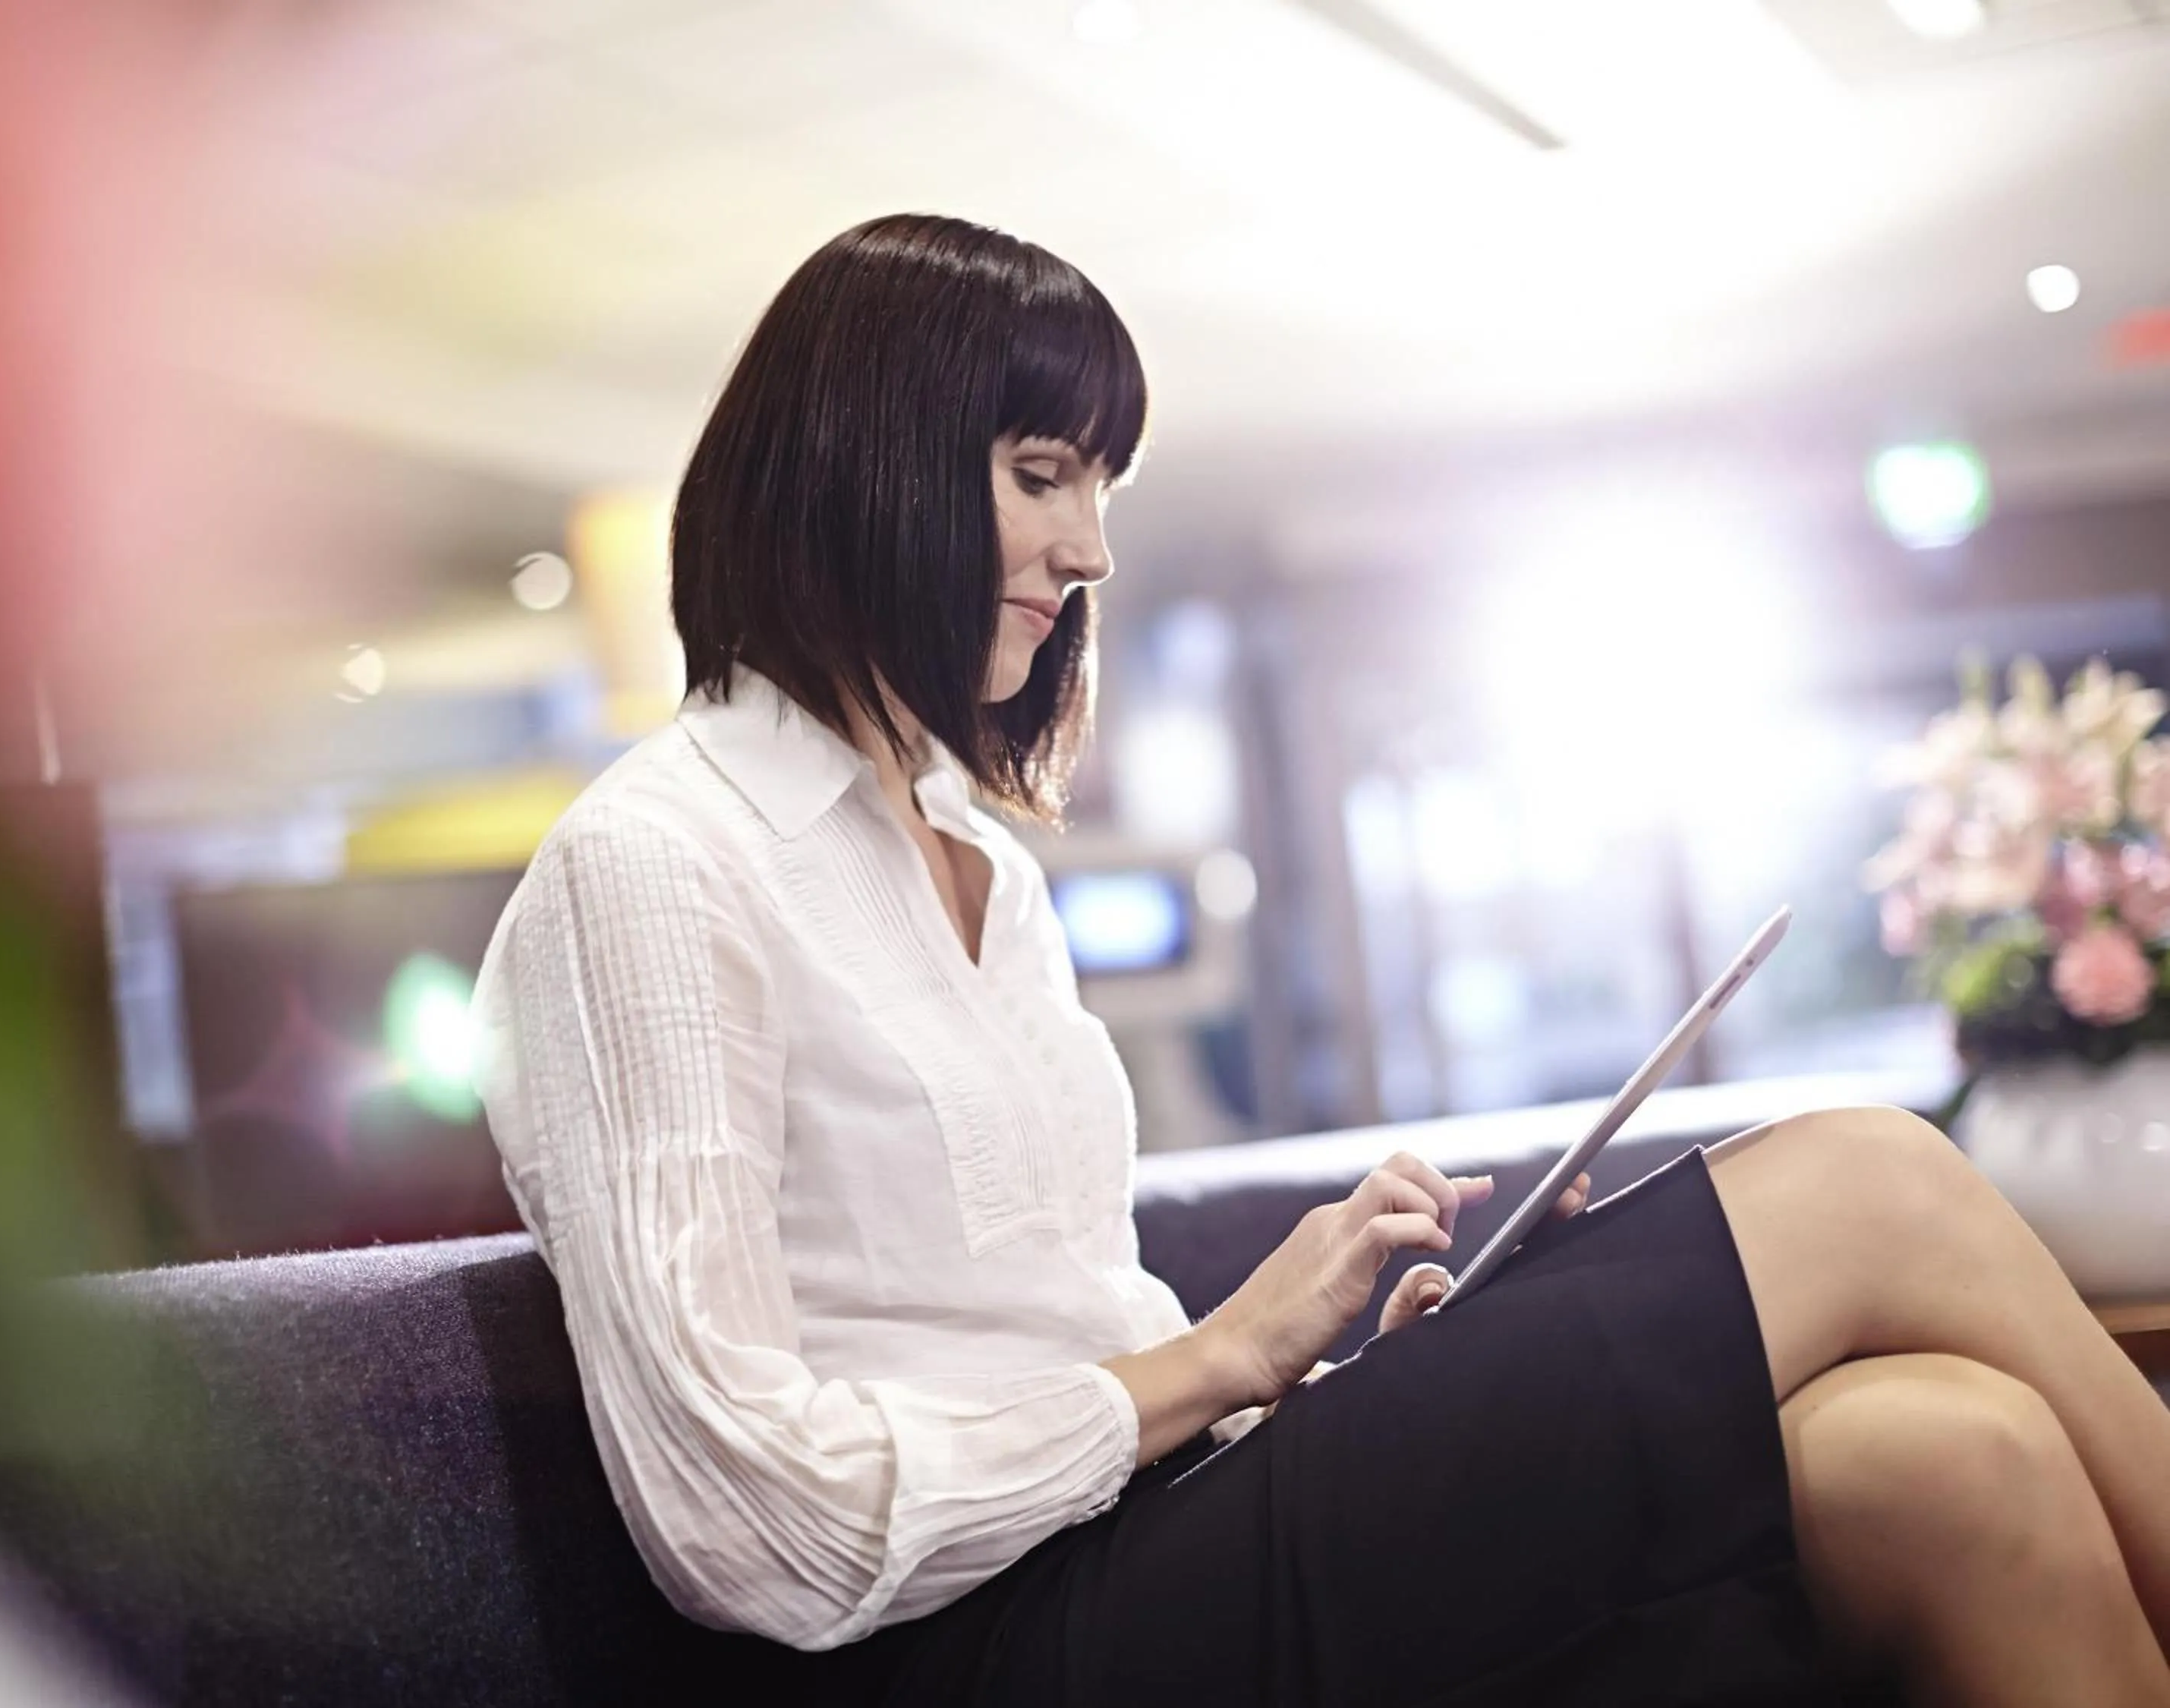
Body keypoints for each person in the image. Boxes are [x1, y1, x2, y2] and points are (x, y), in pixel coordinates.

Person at [470, 213, 2170, 1707]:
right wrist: (1223, 1359)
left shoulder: (976, 857)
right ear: (868, 465)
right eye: (1040, 474)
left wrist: (1315, 1397)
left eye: (1099, 489)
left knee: (1959, 1460)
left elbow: (1046, 1323)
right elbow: (752, 1520)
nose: (1092, 553)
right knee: (1873, 1178)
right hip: (976, 1652)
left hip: (1155, 1538)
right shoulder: (653, 863)